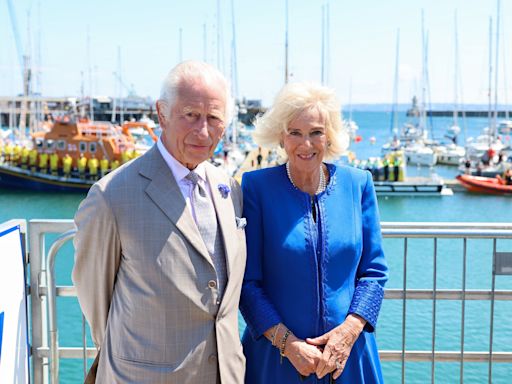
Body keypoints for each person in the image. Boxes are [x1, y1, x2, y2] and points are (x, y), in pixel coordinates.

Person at [72, 60, 247, 383]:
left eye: (214, 118)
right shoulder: (112, 196)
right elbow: (95, 299)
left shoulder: (229, 189)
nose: (203, 131)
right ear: (162, 114)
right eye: (191, 115)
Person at [240, 82, 388, 383]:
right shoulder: (256, 188)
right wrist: (289, 345)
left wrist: (348, 333)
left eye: (316, 132)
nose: (305, 144)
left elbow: (374, 272)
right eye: (295, 133)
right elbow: (247, 282)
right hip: (275, 360)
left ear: (329, 135)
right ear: (281, 137)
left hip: (348, 358)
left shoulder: (358, 184)